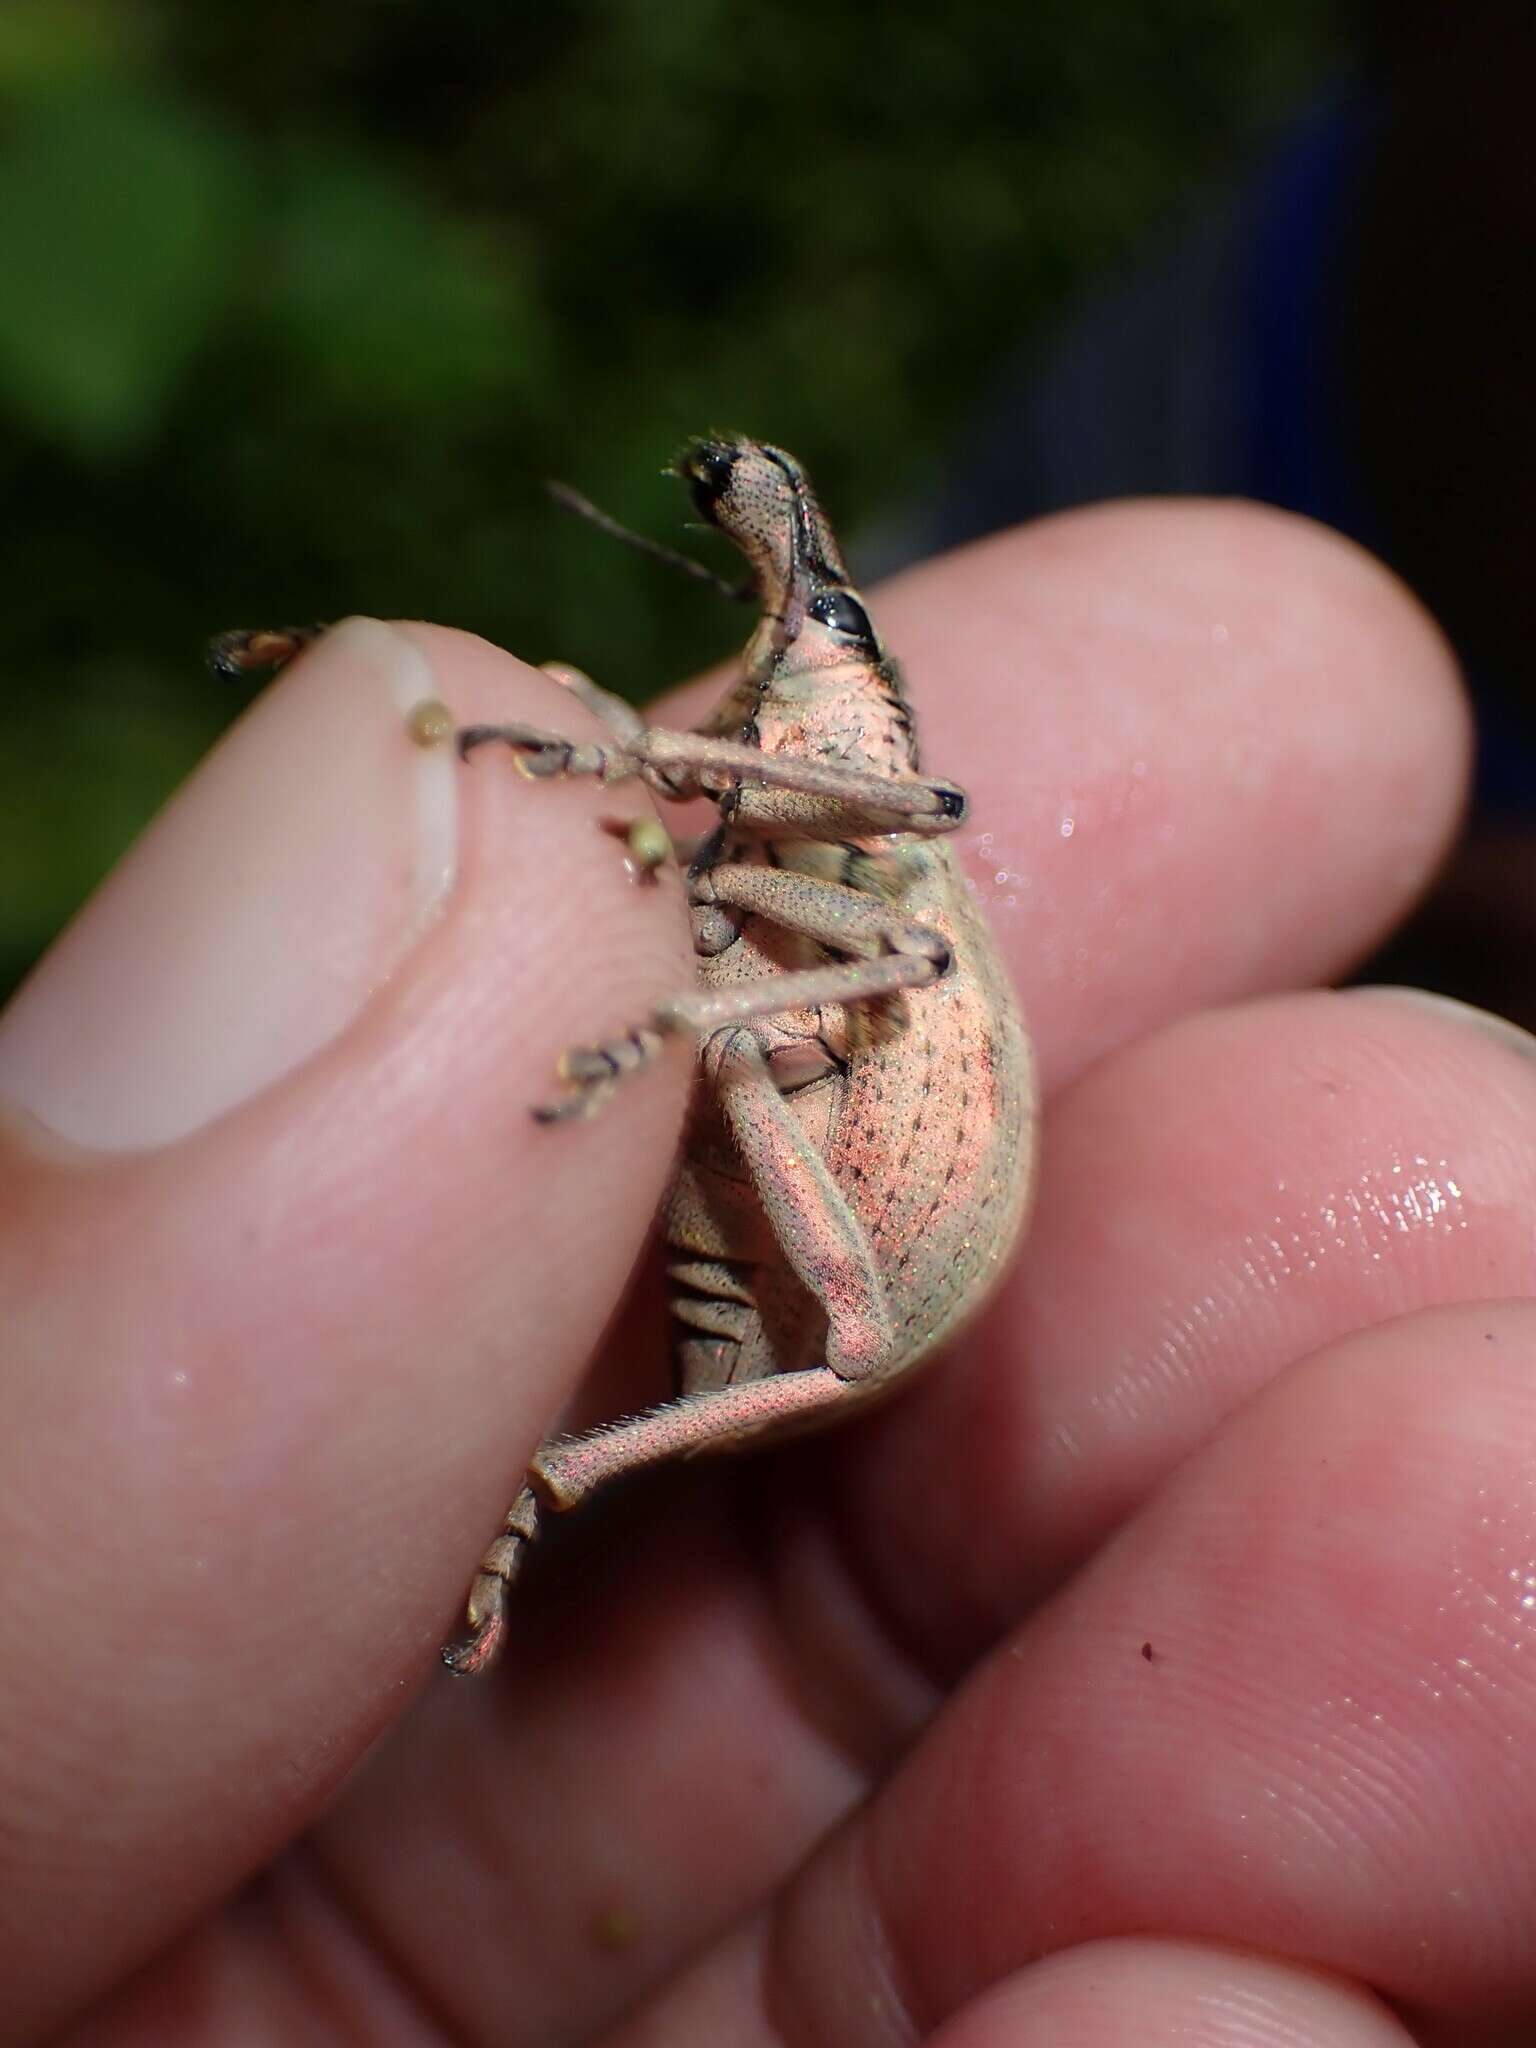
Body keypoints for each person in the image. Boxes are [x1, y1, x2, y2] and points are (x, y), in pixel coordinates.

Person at [0, 497, 1530, 2044]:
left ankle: (561, 1480)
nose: (773, 660)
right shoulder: (779, 862)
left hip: (870, 1223)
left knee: (807, 1160)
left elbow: (850, 884)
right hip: (766, 1110)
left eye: (804, 642)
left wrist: (667, 992)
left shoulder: (891, 885)